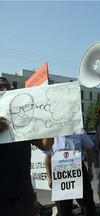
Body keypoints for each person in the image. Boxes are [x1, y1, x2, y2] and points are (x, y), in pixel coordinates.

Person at [0, 77, 54, 216]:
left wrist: (52, 125)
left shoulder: (22, 121)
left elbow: (45, 145)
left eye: (8, 86)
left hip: (23, 197)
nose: (5, 90)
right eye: (1, 87)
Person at [44, 133, 97, 216]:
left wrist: (90, 169)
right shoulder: (52, 136)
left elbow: (89, 149)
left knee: (88, 205)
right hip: (60, 174)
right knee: (63, 209)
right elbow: (48, 157)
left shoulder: (79, 132)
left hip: (79, 171)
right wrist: (49, 177)